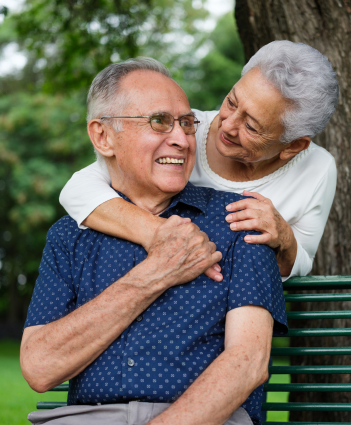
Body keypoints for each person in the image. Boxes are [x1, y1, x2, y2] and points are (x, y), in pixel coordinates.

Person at [21, 58, 288, 425]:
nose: (180, 139)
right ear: (103, 136)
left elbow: (249, 364)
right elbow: (39, 366)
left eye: (187, 123)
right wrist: (156, 274)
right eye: (160, 121)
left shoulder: (240, 219)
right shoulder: (69, 237)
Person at [59, 40, 339, 281]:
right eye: (231, 102)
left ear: (293, 146)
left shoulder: (317, 168)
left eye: (251, 127)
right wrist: (160, 234)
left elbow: (300, 261)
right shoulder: (181, 130)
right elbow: (78, 190)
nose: (227, 125)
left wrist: (284, 237)